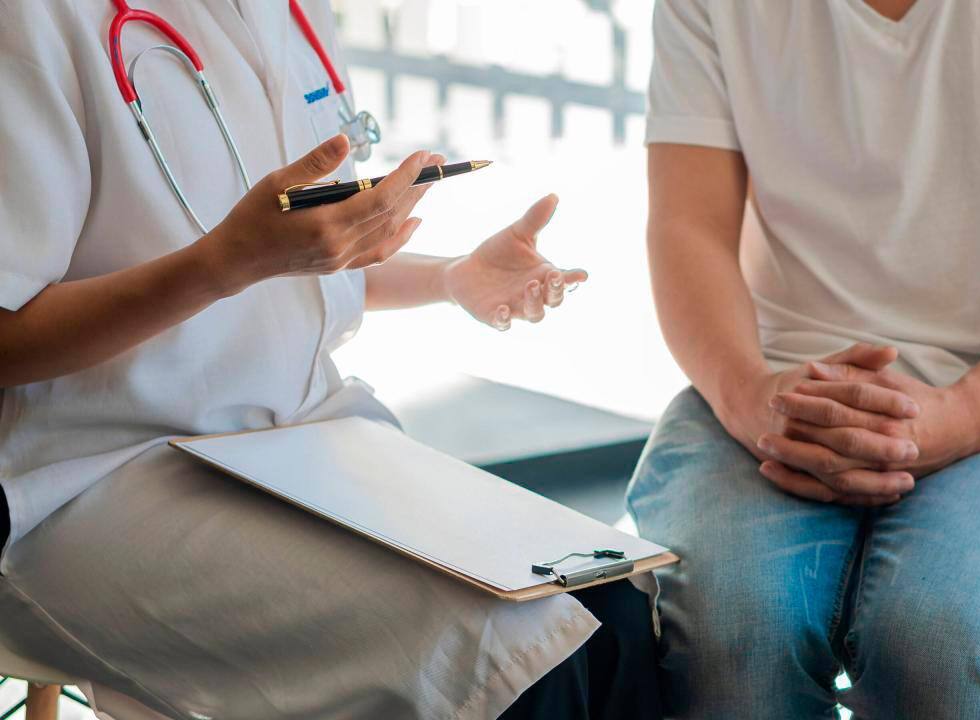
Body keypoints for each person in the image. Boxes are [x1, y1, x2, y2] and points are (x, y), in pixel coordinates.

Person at [0, 2, 660, 718]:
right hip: (97, 475)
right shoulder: (33, 20)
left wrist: (450, 276)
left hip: (308, 440)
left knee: (610, 608)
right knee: (514, 660)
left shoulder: (291, 12)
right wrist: (224, 265)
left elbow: (298, 257)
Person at [627, 0, 980, 718]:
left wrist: (970, 412)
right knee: (727, 635)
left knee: (940, 644)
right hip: (778, 389)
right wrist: (749, 398)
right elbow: (689, 223)